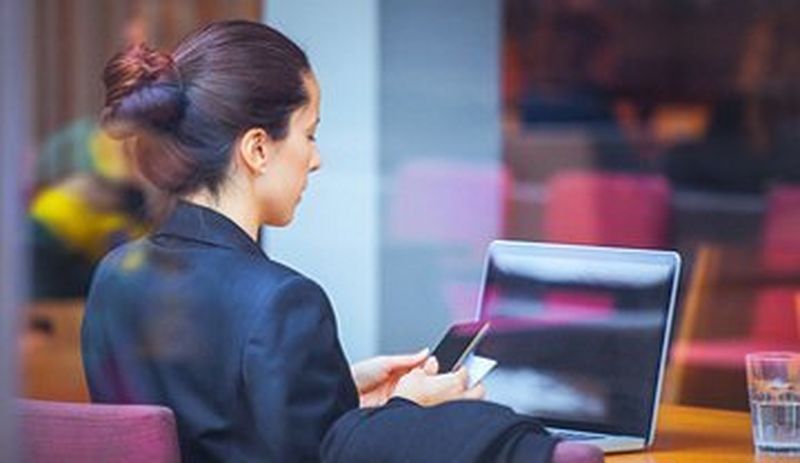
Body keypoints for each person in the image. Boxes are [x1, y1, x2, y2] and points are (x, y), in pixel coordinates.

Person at [82, 20, 585, 463]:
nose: (316, 159)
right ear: (258, 148)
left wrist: (344, 392)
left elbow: (222, 427)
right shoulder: (282, 301)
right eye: (309, 134)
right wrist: (406, 411)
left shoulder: (115, 276)